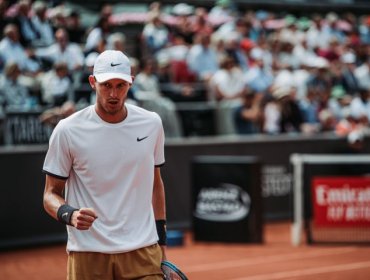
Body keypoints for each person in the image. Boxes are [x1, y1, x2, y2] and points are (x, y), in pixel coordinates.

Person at [42, 50, 168, 280]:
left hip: (143, 251)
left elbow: (155, 185)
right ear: (92, 82)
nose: (113, 93)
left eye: (121, 85)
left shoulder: (151, 123)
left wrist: (163, 248)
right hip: (88, 255)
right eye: (106, 85)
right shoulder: (67, 130)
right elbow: (50, 194)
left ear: (131, 83)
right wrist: (70, 214)